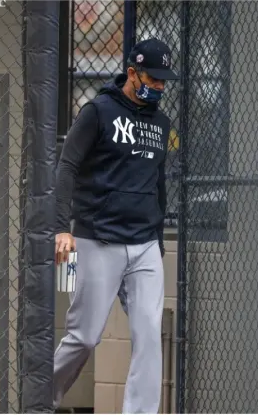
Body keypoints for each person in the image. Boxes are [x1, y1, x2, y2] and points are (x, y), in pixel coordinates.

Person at [53, 38, 179, 414]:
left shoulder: (161, 122)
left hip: (144, 244)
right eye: (152, 79)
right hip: (98, 239)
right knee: (84, 336)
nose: (158, 86)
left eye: (162, 81)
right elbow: (67, 167)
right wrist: (62, 228)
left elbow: (158, 184)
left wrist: (156, 241)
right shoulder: (98, 111)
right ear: (131, 72)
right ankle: (39, 400)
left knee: (148, 338)